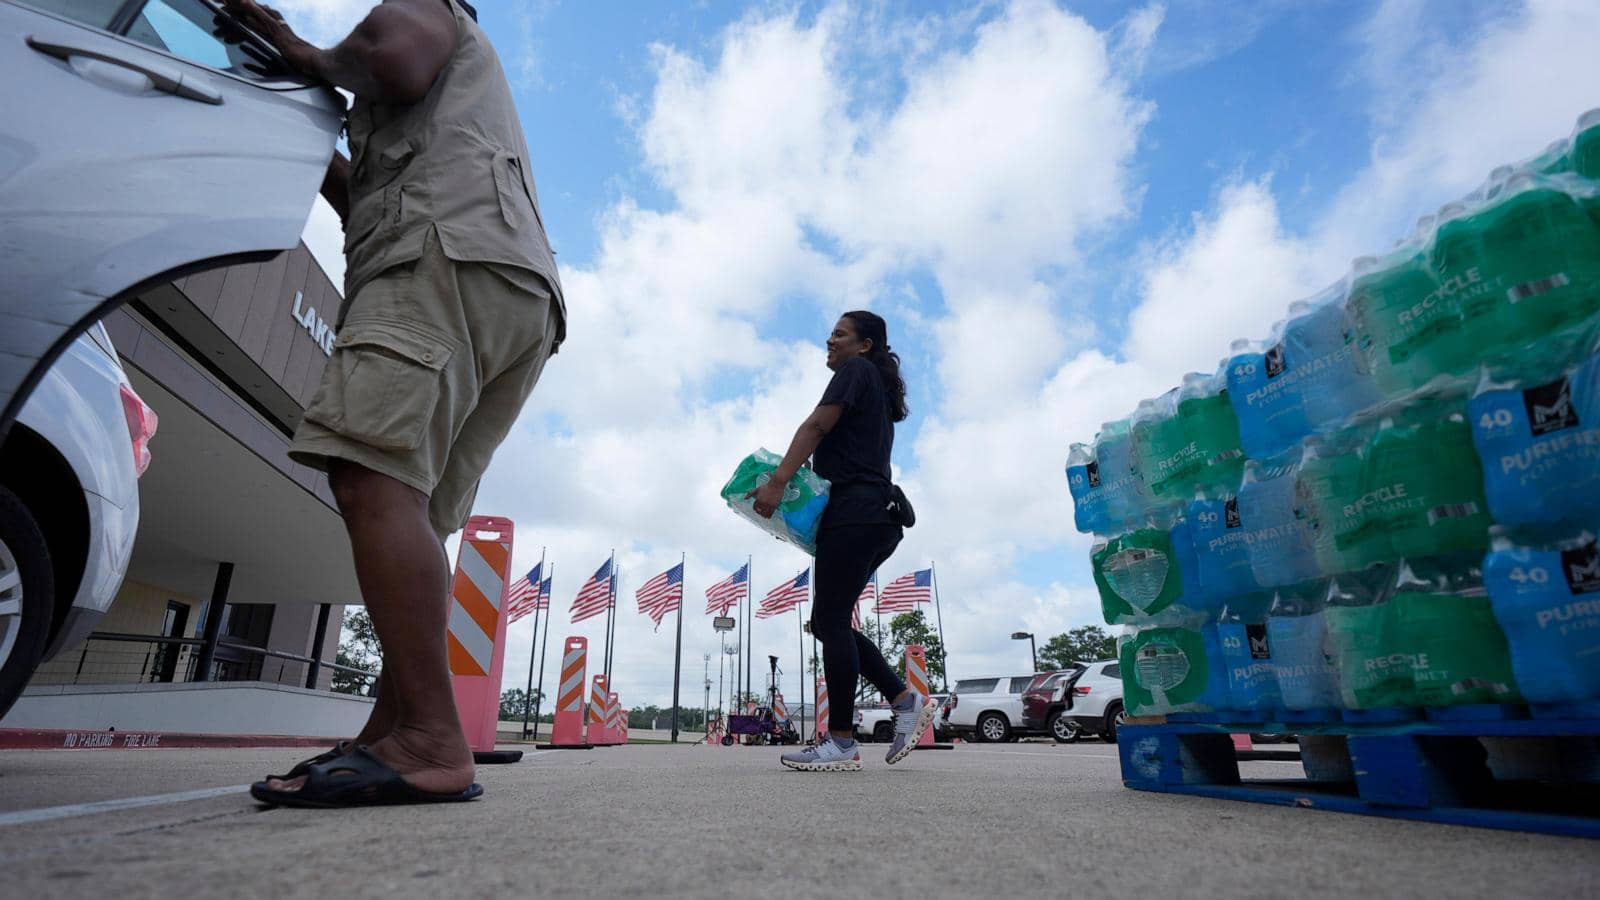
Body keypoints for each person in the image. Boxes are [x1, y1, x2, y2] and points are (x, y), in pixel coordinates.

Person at [224, 0, 565, 807]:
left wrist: (303, 54)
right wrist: (307, 141)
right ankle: (395, 733)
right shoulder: (464, 97)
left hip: (439, 260)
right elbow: (363, 194)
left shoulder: (428, 9)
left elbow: (395, 57)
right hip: (513, 291)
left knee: (370, 478)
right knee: (417, 511)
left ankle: (429, 740)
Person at [749, 311, 934, 771]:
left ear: (865, 345)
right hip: (878, 517)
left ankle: (842, 742)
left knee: (829, 623)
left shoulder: (856, 372)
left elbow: (814, 428)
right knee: (833, 623)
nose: (828, 340)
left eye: (839, 333)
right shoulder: (875, 385)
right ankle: (904, 702)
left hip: (856, 515)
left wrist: (777, 482)